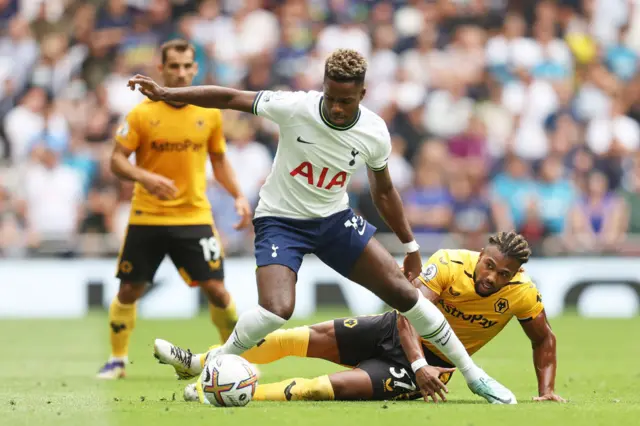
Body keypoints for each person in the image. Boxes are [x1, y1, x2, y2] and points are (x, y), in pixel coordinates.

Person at [128, 48, 515, 403]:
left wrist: (411, 246)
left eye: (346, 101)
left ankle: (474, 376)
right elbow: (231, 98)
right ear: (323, 88)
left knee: (406, 296)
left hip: (333, 220)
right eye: (330, 98)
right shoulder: (296, 107)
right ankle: (213, 368)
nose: (337, 109)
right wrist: (168, 95)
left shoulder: (375, 133)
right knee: (278, 309)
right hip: (281, 220)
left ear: (362, 94)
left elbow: (384, 192)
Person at [157, 232, 566, 404]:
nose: (491, 277)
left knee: (316, 390)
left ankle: (216, 391)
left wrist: (545, 389)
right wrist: (419, 362)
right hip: (395, 333)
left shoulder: (521, 294)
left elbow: (543, 339)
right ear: (482, 254)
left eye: (503, 274)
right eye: (490, 266)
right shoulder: (447, 263)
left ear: (515, 276)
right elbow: (409, 316)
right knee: (293, 338)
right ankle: (198, 363)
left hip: (433, 370)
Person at [97, 39, 252, 379]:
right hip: (147, 216)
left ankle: (235, 359)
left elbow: (220, 161)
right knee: (129, 289)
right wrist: (144, 177)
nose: (180, 73)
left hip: (194, 216)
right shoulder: (141, 114)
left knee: (217, 290)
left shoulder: (209, 114)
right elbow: (116, 161)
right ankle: (117, 360)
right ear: (162, 69)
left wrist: (239, 195)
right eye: (174, 67)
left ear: (195, 69)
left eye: (186, 67)